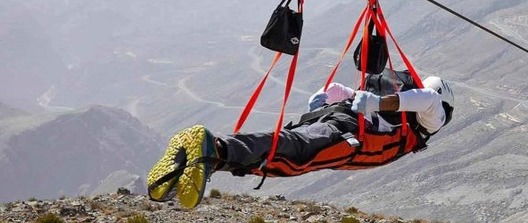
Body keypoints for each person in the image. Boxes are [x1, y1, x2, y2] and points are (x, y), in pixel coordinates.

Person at [147, 71, 455, 209]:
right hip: (350, 136)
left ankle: (200, 160)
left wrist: (333, 101)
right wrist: (374, 103)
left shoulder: (403, 114)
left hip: (342, 125)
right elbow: (427, 99)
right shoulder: (431, 116)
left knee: (288, 150)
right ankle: (212, 149)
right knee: (292, 156)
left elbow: (345, 95)